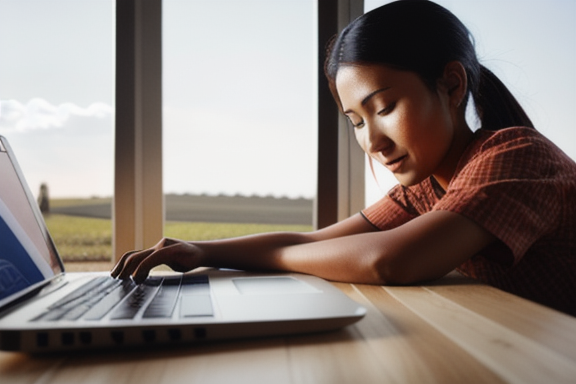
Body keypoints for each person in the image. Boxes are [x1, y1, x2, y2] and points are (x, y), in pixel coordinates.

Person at [111, 0, 576, 316]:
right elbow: (314, 240)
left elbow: (389, 262)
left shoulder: (515, 155)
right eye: (356, 121)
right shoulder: (423, 191)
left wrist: (274, 257)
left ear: (452, 85)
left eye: (385, 108)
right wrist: (203, 252)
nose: (372, 141)